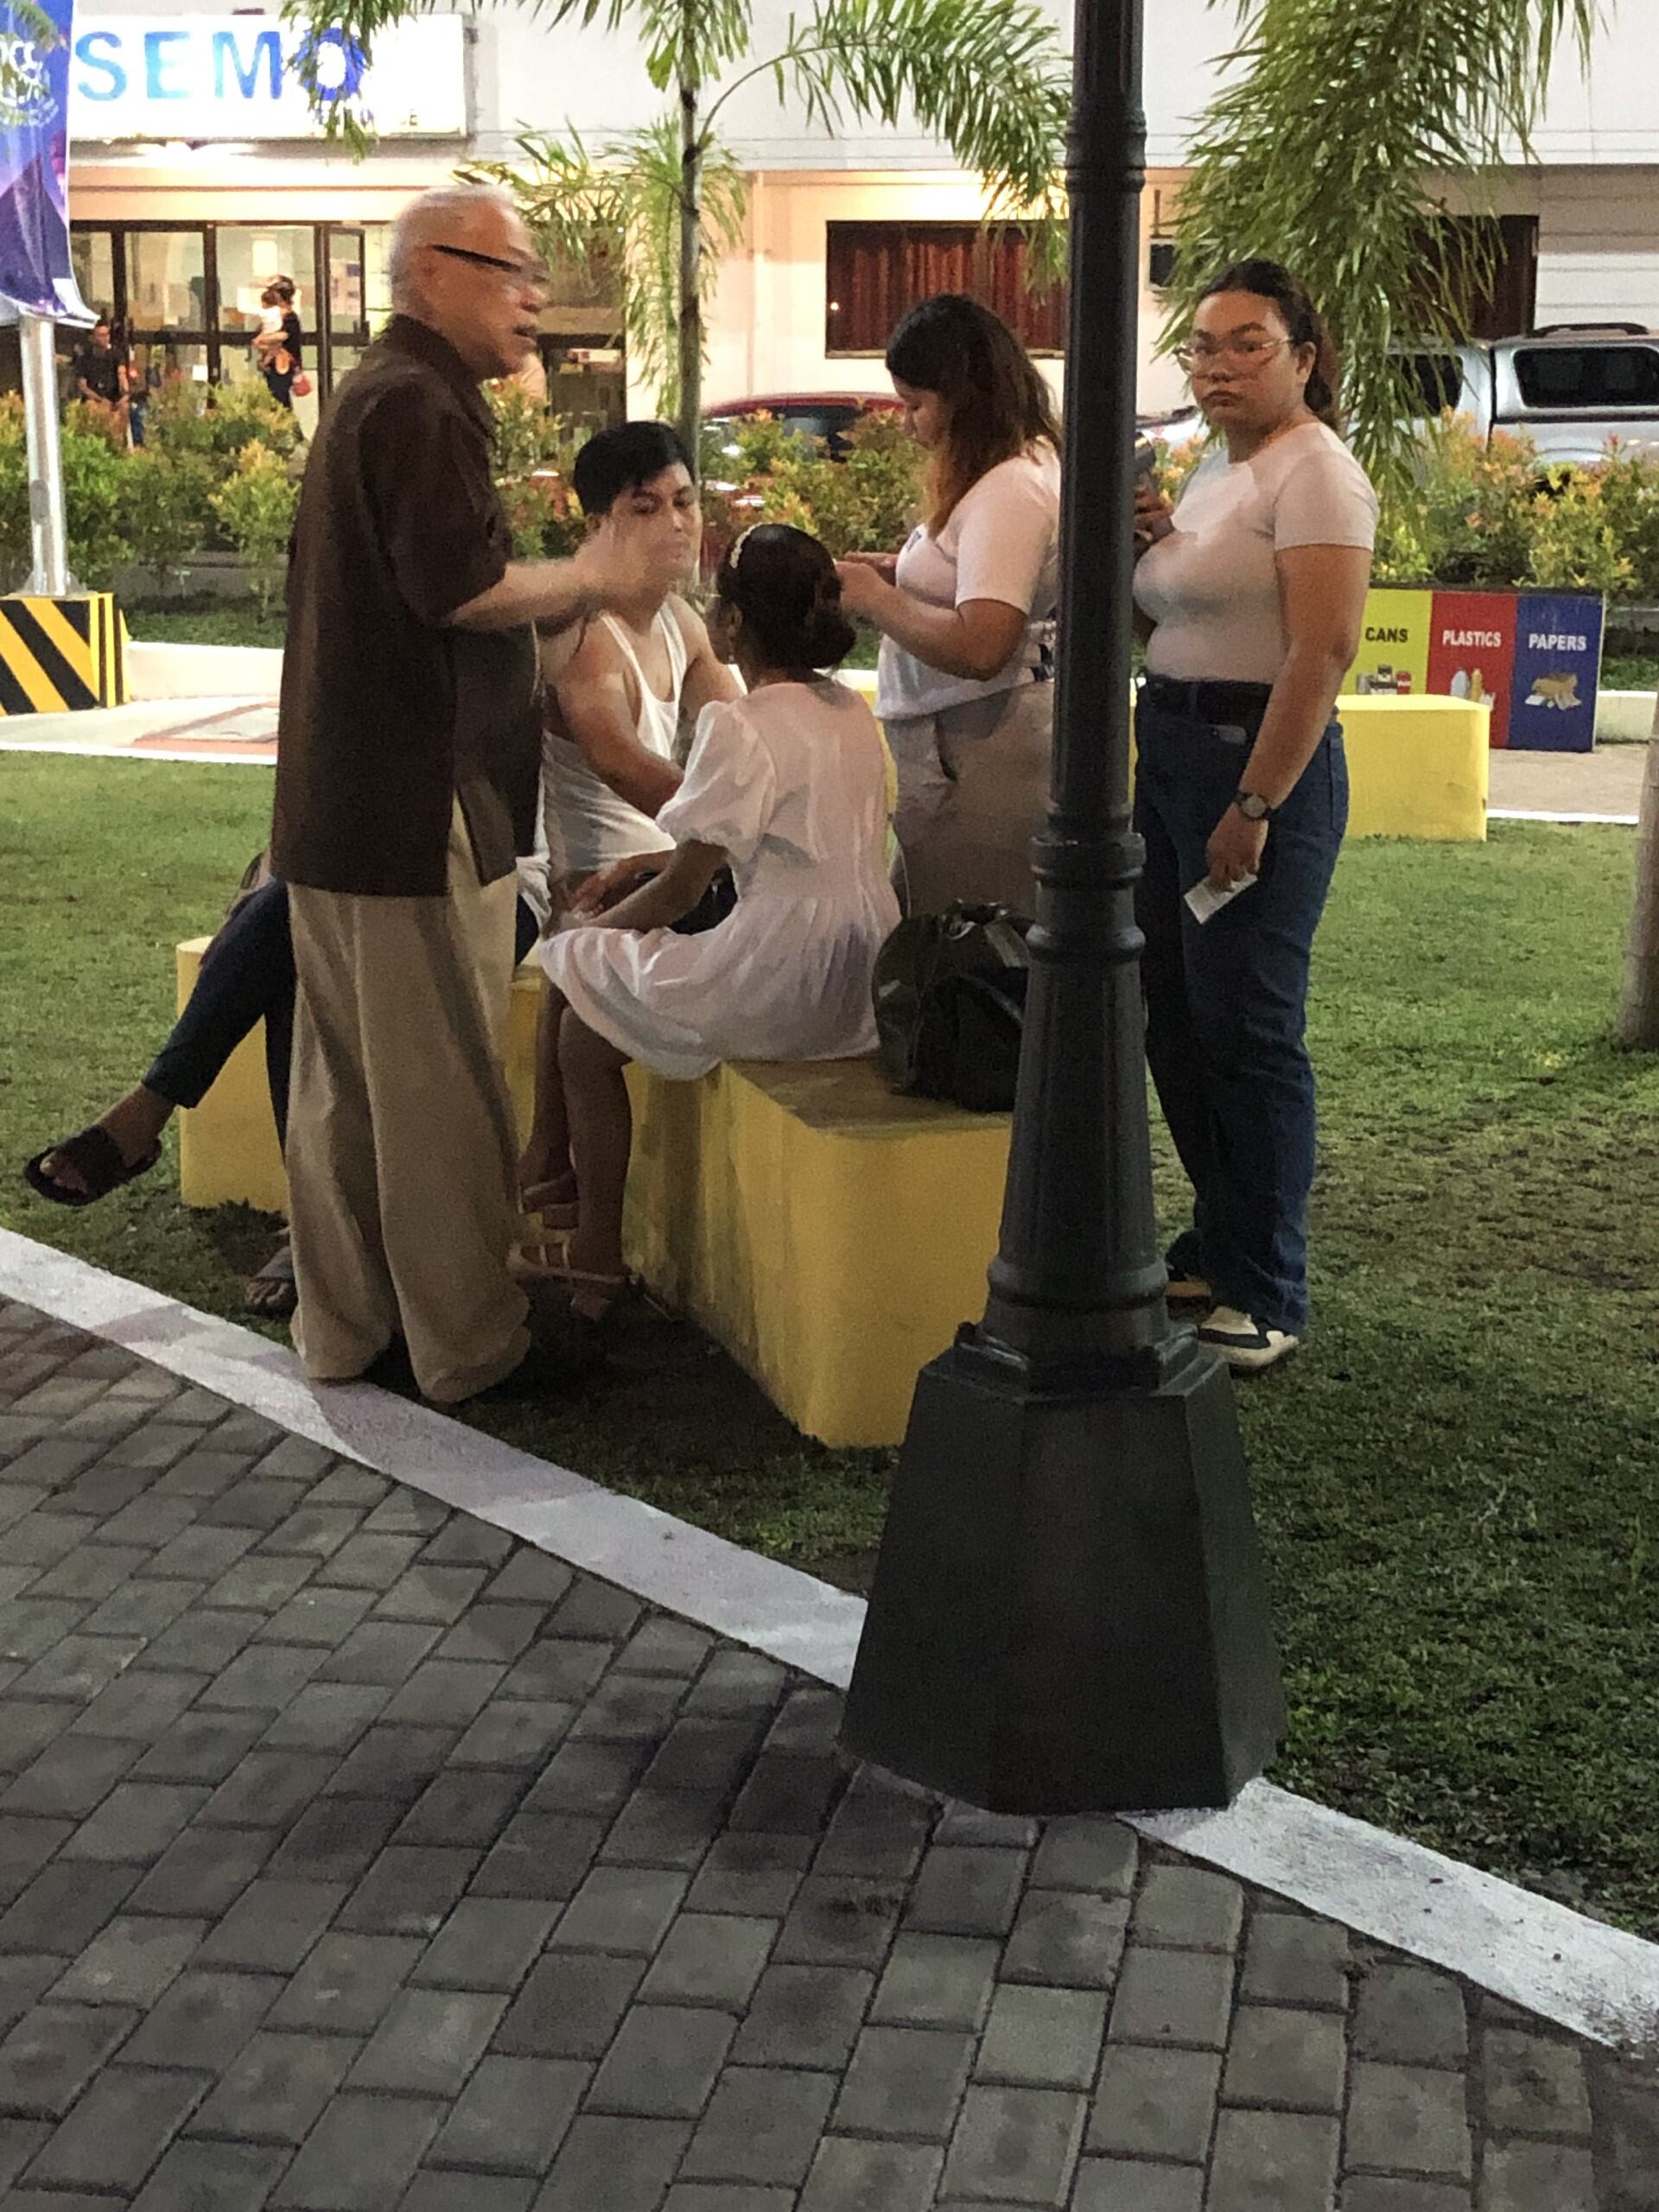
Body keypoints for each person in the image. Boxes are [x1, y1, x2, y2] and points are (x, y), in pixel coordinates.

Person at [270, 183, 674, 1406]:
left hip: (342, 805)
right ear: (430, 275)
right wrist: (592, 575)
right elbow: (457, 591)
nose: (534, 297)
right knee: (438, 1089)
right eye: (512, 271)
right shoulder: (419, 403)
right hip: (415, 803)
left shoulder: (380, 394)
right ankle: (470, 1346)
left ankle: (350, 1326)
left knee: (347, 1088)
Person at [530, 523, 899, 1320]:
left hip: (781, 973)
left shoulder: (741, 724)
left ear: (732, 623)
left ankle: (589, 1245)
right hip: (862, 969)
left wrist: (592, 933)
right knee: (585, 971)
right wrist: (643, 868)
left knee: (580, 1021)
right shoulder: (850, 710)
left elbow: (682, 891)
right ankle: (551, 1183)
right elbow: (767, 846)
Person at [1131, 257, 1376, 1373]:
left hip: (1254, 766)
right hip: (1173, 752)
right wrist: (1156, 549)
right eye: (1203, 346)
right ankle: (1220, 1241)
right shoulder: (1215, 471)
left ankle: (1269, 1285)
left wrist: (1255, 803)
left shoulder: (1316, 474)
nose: (1218, 365)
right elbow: (1181, 624)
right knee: (1176, 1015)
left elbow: (1321, 652)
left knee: (1248, 1026)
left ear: (1304, 357)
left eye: (1247, 345)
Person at [20, 871, 547, 1319]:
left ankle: (152, 1108)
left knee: (294, 914)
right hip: (371, 885)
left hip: (499, 892)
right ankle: (311, 1223)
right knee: (294, 935)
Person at [518, 419, 740, 1217]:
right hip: (594, 878)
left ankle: (549, 1167)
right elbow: (617, 759)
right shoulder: (587, 634)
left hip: (667, 868)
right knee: (590, 932)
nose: (677, 522)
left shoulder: (681, 622)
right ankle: (550, 1165)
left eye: (685, 501)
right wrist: (725, 831)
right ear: (597, 526)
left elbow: (740, 733)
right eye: (646, 508)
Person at [835, 293, 1061, 916]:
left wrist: (876, 598)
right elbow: (977, 580)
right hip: (968, 743)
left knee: (962, 941)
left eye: (916, 405)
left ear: (964, 399)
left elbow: (983, 643)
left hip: (978, 750)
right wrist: (900, 573)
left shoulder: (1010, 489)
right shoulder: (1010, 473)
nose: (907, 425)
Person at [71, 318, 129, 440]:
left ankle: (122, 443)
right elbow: (83, 387)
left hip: (114, 400)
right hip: (94, 400)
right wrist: (100, 400)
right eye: (101, 335)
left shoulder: (116, 354)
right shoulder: (84, 359)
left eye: (107, 334)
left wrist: (124, 388)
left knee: (125, 408)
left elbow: (121, 372)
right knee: (93, 408)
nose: (105, 338)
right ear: (92, 338)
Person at [254, 277, 303, 410]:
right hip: (273, 364)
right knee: (277, 399)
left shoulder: (289, 318)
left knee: (279, 399)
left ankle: (287, 422)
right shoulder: (275, 316)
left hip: (282, 364)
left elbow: (283, 338)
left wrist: (262, 340)